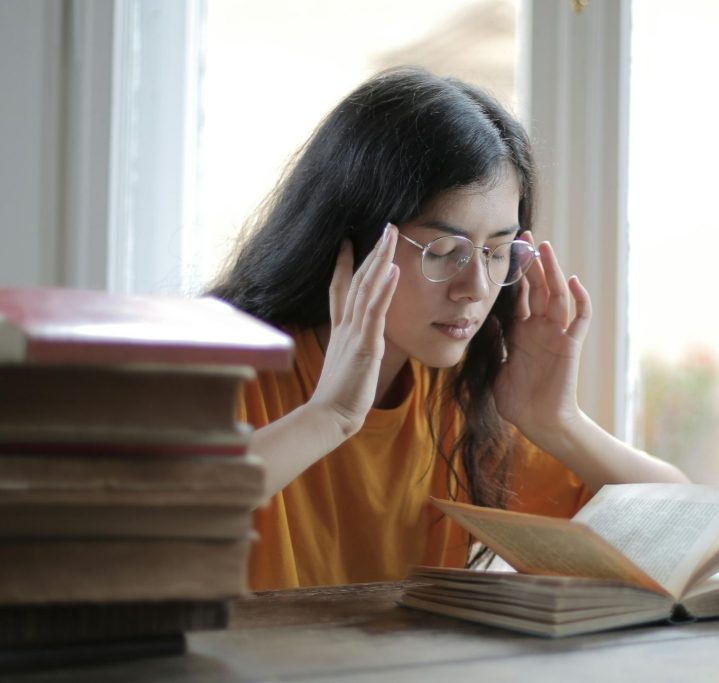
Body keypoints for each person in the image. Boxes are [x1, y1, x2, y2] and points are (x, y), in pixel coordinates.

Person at [209, 66, 687, 591]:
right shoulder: (226, 370)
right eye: (443, 252)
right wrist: (331, 416)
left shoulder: (454, 394)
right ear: (350, 240)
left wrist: (556, 421)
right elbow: (145, 517)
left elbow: (682, 528)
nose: (476, 288)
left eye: (498, 252)